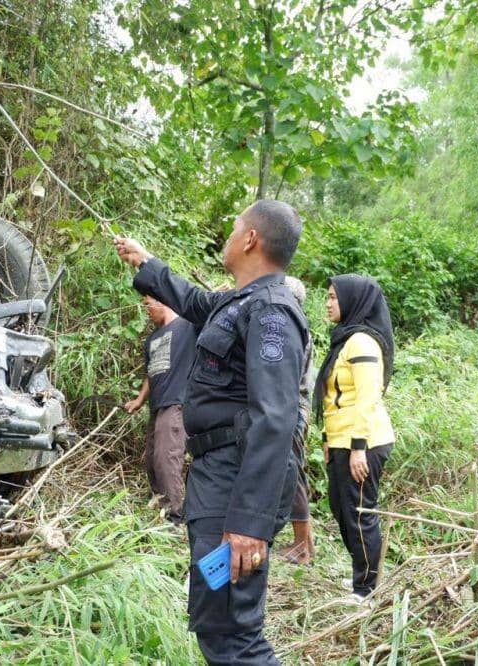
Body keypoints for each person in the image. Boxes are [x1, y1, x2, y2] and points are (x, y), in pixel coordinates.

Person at [114, 200, 307, 666]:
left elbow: (275, 419)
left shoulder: (272, 313)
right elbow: (191, 299)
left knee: (231, 634)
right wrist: (144, 261)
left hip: (235, 489)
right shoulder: (236, 302)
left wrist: (248, 523)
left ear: (250, 240)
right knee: (216, 621)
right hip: (216, 481)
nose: (227, 237)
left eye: (233, 229)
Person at [314, 274, 395, 602]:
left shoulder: (362, 342)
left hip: (364, 442)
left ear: (352, 301)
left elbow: (366, 397)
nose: (329, 303)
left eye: (334, 297)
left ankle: (367, 589)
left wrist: (358, 447)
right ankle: (362, 576)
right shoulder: (345, 339)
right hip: (342, 441)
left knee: (360, 513)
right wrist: (327, 438)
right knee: (341, 508)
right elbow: (334, 397)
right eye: (329, 297)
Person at [124, 296, 196, 525]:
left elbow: (202, 307)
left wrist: (216, 292)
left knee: (167, 458)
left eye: (147, 304)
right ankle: (160, 506)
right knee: (152, 460)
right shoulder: (152, 339)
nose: (146, 310)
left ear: (162, 300)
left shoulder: (186, 326)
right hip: (157, 404)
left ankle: (174, 517)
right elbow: (150, 373)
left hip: (176, 403)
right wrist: (139, 400)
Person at [275, 275, 315, 565]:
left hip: (292, 406)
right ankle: (301, 541)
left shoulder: (292, 328)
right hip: (290, 406)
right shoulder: (295, 325)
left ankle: (304, 544)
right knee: (287, 470)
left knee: (292, 470)